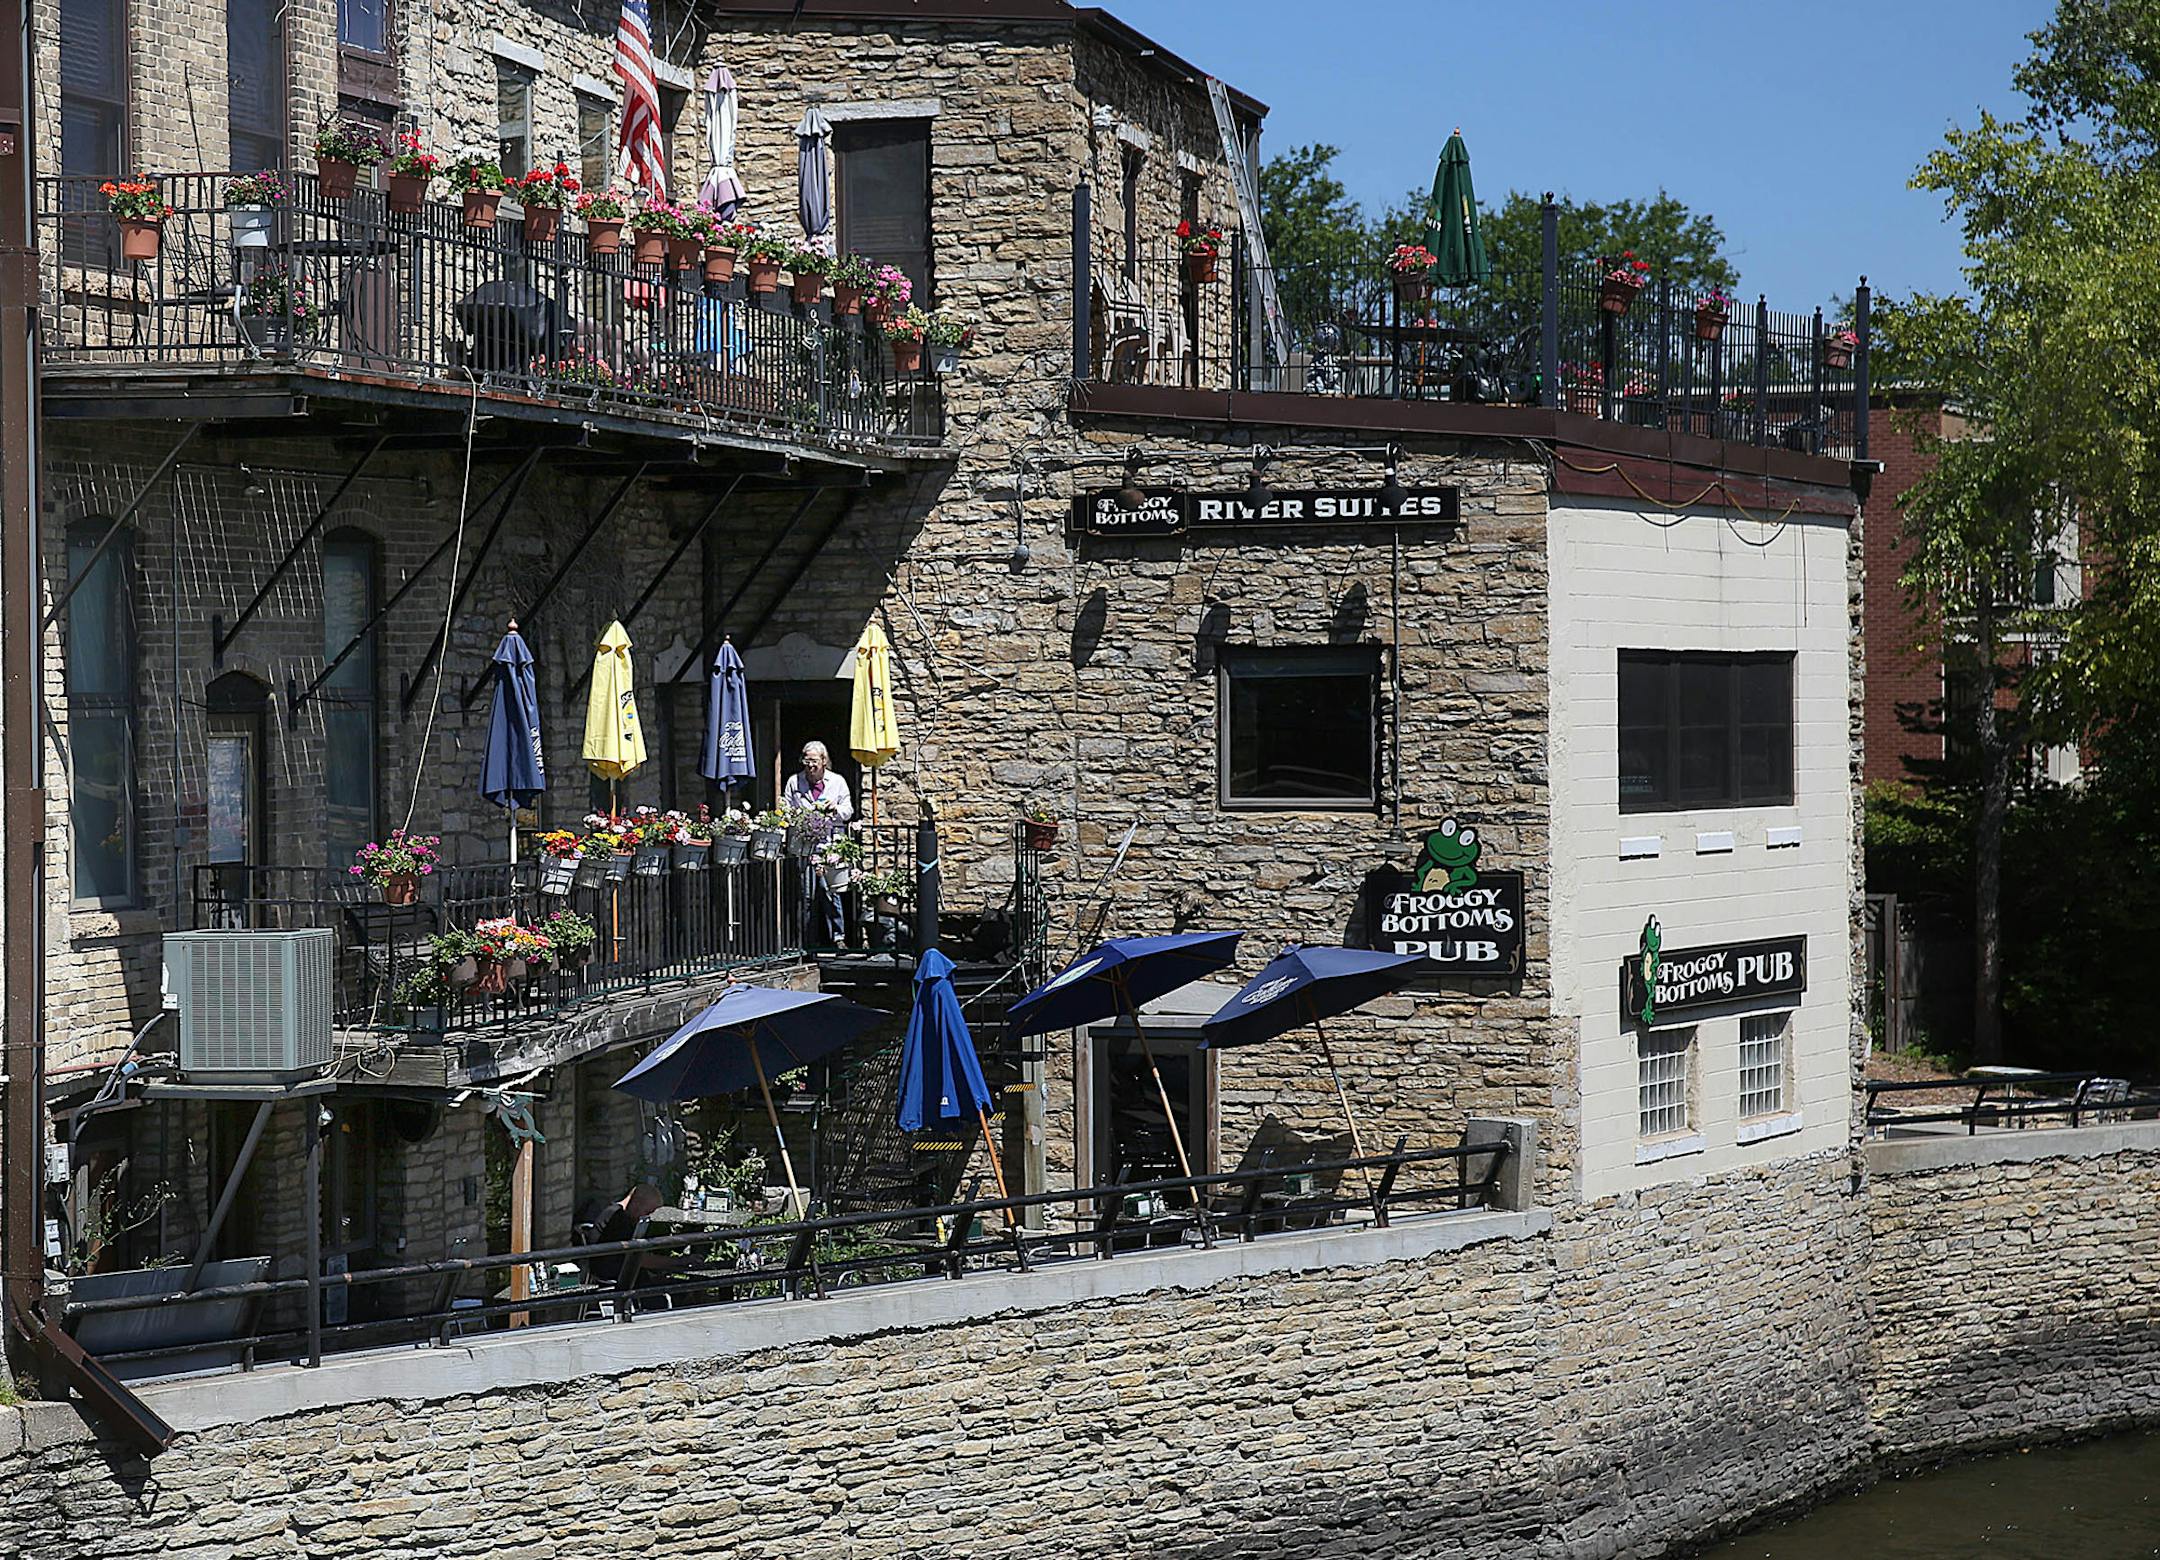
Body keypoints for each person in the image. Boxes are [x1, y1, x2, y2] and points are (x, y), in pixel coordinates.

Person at [783, 741, 852, 947]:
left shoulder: (837, 782)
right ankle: (807, 941)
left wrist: (835, 809)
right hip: (805, 847)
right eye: (806, 760)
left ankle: (838, 938)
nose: (810, 765)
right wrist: (796, 817)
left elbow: (848, 811)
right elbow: (786, 809)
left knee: (832, 892)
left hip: (830, 847)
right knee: (806, 895)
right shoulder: (794, 782)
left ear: (824, 761)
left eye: (814, 760)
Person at [590, 1184, 664, 1286]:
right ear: (636, 1203)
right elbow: (637, 1259)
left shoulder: (619, 1215)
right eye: (647, 1212)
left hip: (617, 1273)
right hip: (611, 1276)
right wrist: (676, 1262)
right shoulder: (618, 1218)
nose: (646, 1217)